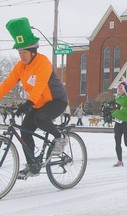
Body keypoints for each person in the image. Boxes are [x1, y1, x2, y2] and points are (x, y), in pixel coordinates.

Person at [1, 17, 68, 179]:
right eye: (19, 52)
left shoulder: (43, 62)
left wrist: (29, 102)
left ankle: (60, 137)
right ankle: (32, 164)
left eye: (24, 52)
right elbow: (7, 84)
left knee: (40, 119)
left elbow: (40, 85)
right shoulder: (20, 67)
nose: (21, 56)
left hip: (56, 101)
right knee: (25, 131)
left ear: (32, 51)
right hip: (38, 103)